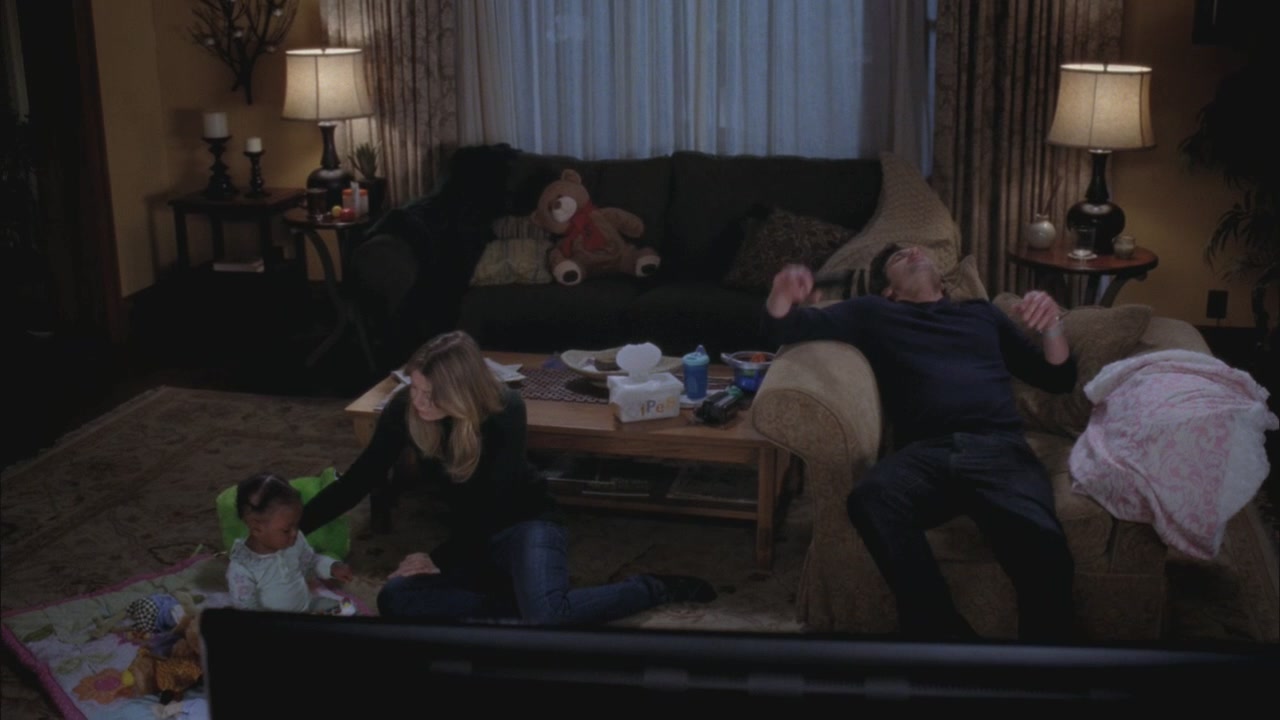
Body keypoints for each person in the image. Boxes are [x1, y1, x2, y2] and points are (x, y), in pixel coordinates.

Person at [761, 243, 1078, 642]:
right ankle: (943, 637)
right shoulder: (874, 312)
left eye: (916, 250)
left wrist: (1052, 325)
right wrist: (781, 293)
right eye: (898, 257)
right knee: (871, 498)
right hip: (926, 455)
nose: (912, 253)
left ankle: (1042, 666)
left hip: (998, 448)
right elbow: (784, 328)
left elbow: (1057, 378)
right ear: (889, 290)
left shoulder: (981, 313)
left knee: (1043, 544)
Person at [300, 330, 716, 625]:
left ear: (462, 392)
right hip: (473, 540)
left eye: (432, 394)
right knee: (395, 599)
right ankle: (522, 605)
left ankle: (651, 588)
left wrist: (437, 558)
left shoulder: (505, 410)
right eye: (417, 388)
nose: (420, 402)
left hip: (525, 523)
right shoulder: (405, 409)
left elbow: (494, 505)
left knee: (549, 616)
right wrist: (292, 530)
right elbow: (358, 480)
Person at [226, 472, 355, 613]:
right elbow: (247, 612)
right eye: (286, 530)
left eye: (296, 525)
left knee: (347, 610)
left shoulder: (294, 541)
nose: (295, 533)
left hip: (307, 605)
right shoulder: (243, 568)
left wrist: (332, 567)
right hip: (277, 623)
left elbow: (310, 562)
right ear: (256, 528)